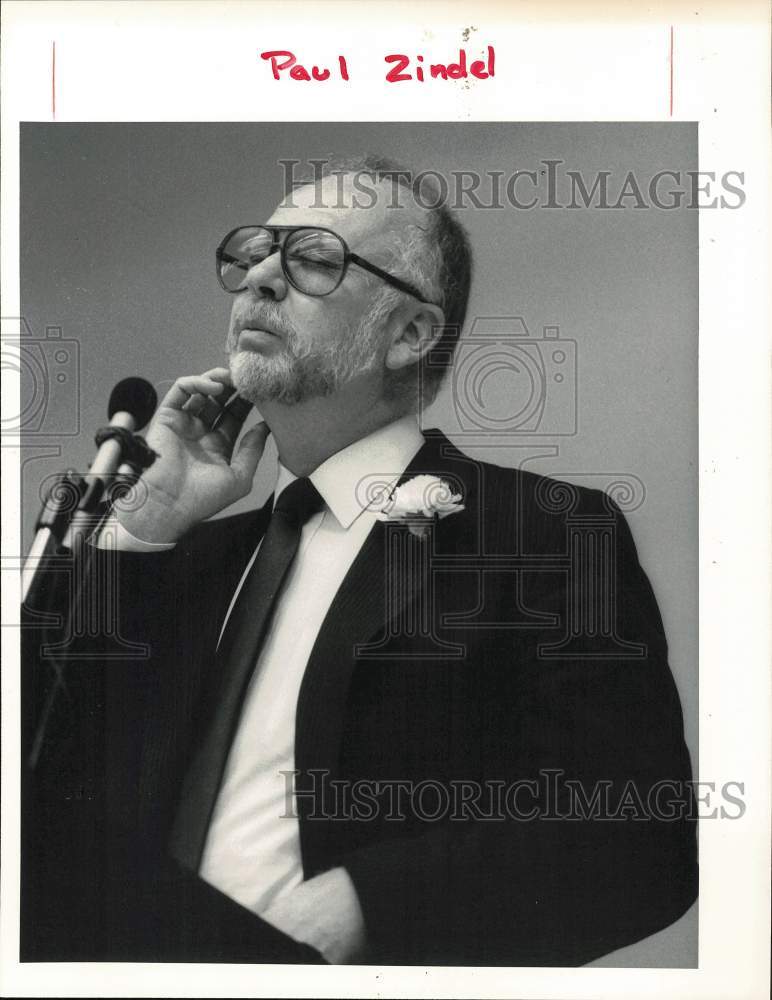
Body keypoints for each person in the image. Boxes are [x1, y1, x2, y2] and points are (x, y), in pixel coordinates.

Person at [21, 155, 698, 966]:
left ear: (409, 334)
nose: (259, 279)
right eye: (255, 252)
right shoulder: (181, 561)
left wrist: (366, 903)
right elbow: (34, 784)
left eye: (310, 259)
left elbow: (636, 832)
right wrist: (141, 532)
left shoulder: (542, 534)